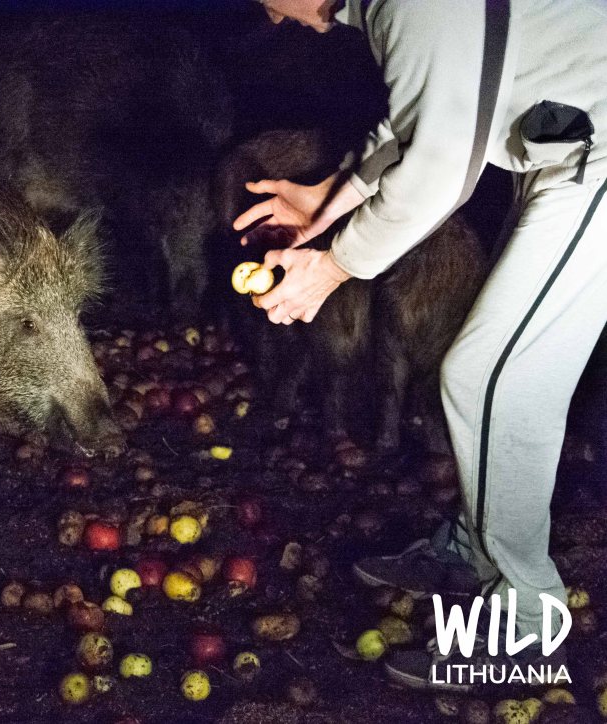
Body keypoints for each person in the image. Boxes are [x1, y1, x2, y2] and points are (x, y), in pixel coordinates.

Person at [234, 0, 607, 691]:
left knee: (492, 378)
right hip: (568, 156)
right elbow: (424, 119)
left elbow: (440, 171)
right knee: (495, 373)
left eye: (265, 4)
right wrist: (327, 201)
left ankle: (527, 623)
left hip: (599, 156)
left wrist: (335, 266)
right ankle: (478, 545)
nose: (276, 21)